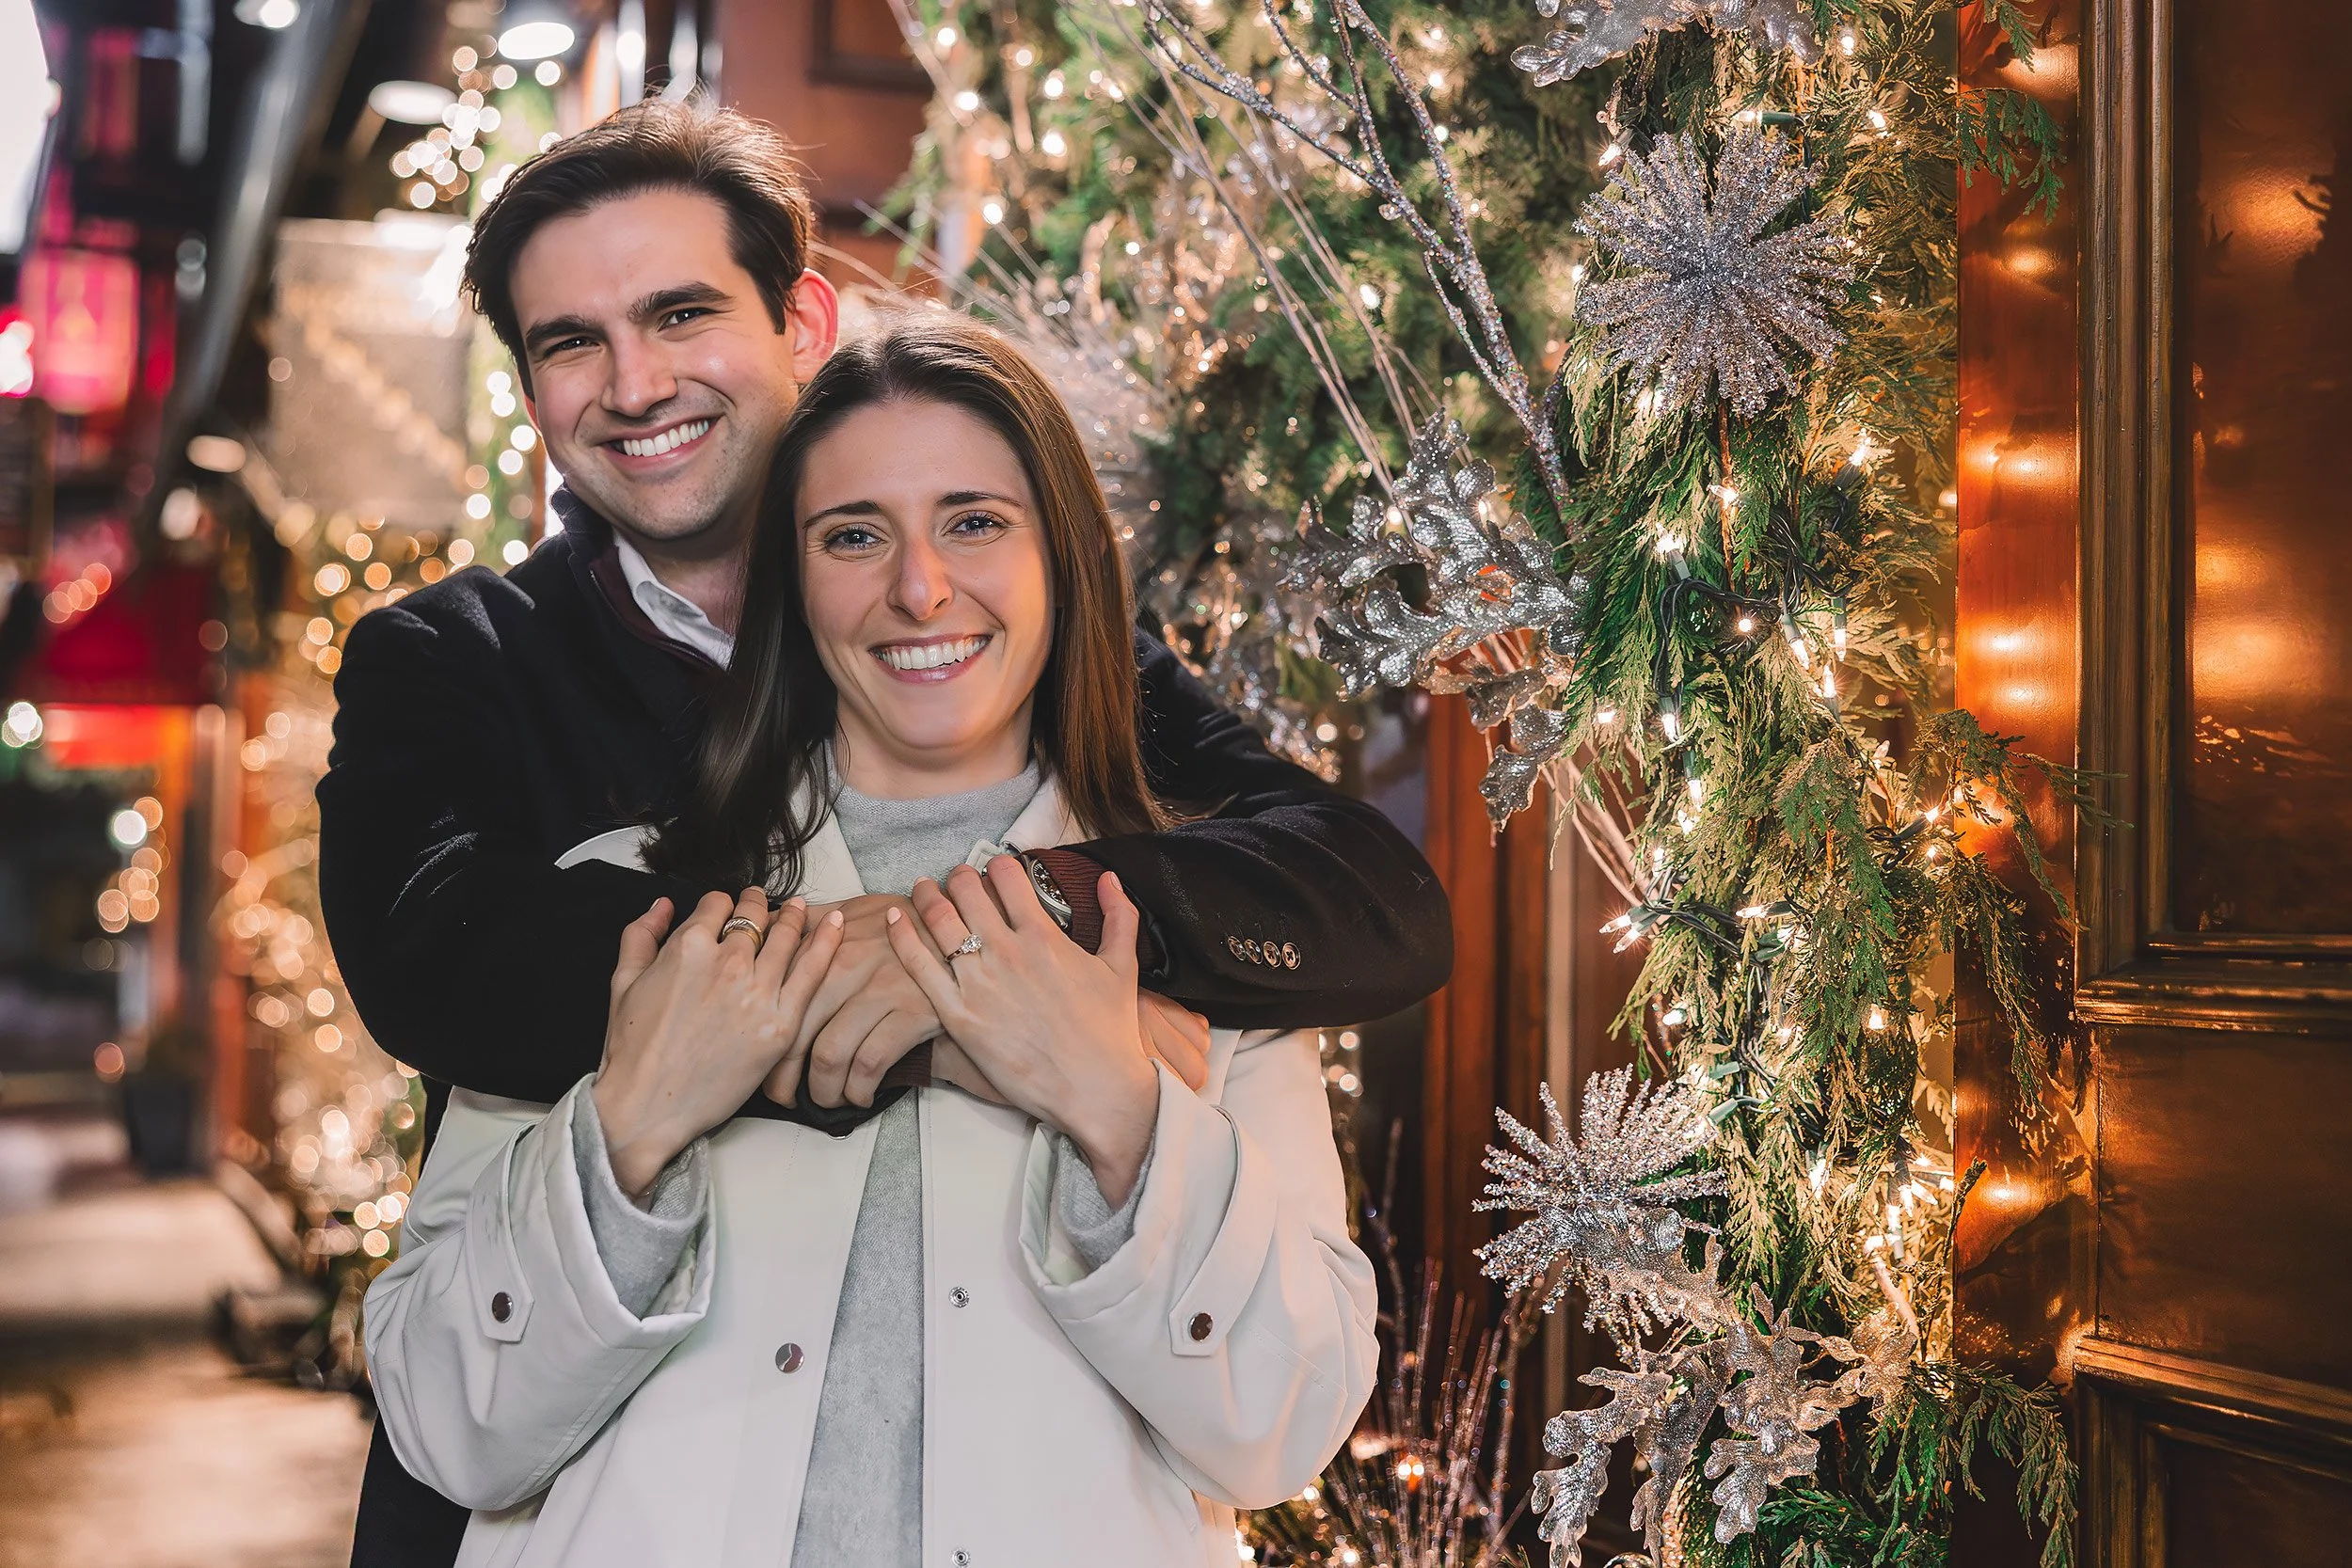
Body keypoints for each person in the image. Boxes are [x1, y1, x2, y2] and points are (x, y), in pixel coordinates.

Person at [318, 101, 1446, 1564]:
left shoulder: (1025, 660)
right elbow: (438, 967)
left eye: (679, 312)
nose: (635, 382)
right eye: (571, 342)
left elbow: (1366, 894)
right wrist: (945, 1000)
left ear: (800, 321)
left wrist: (1035, 949)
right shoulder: (459, 661)